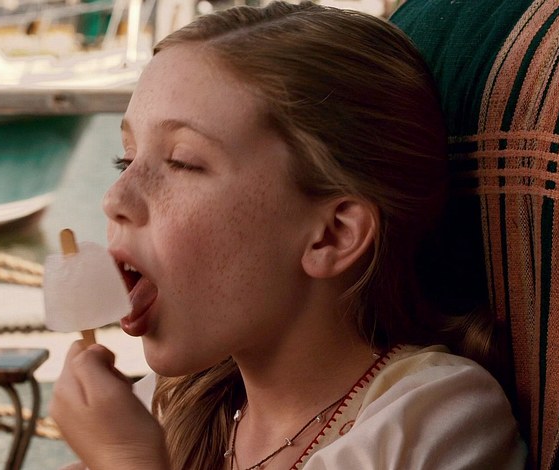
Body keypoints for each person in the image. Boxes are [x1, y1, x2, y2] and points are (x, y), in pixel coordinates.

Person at [49, 2, 526, 469]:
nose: (114, 198)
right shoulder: (163, 410)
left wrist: (125, 460)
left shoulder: (434, 420)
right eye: (126, 160)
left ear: (332, 235)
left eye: (182, 162)